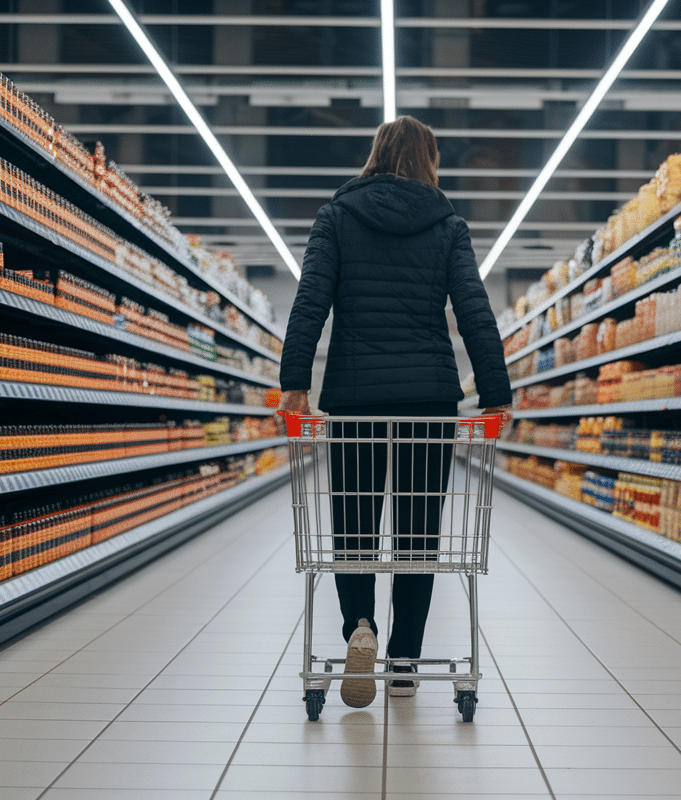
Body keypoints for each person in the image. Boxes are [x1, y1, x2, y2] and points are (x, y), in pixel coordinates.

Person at [278, 115, 512, 708]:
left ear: (375, 155)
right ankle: (405, 659)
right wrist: (496, 391)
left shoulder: (336, 216)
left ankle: (360, 627)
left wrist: (294, 385)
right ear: (428, 162)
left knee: (352, 530)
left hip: (354, 399)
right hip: (429, 402)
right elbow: (474, 309)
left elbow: (310, 303)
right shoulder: (448, 224)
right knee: (418, 533)